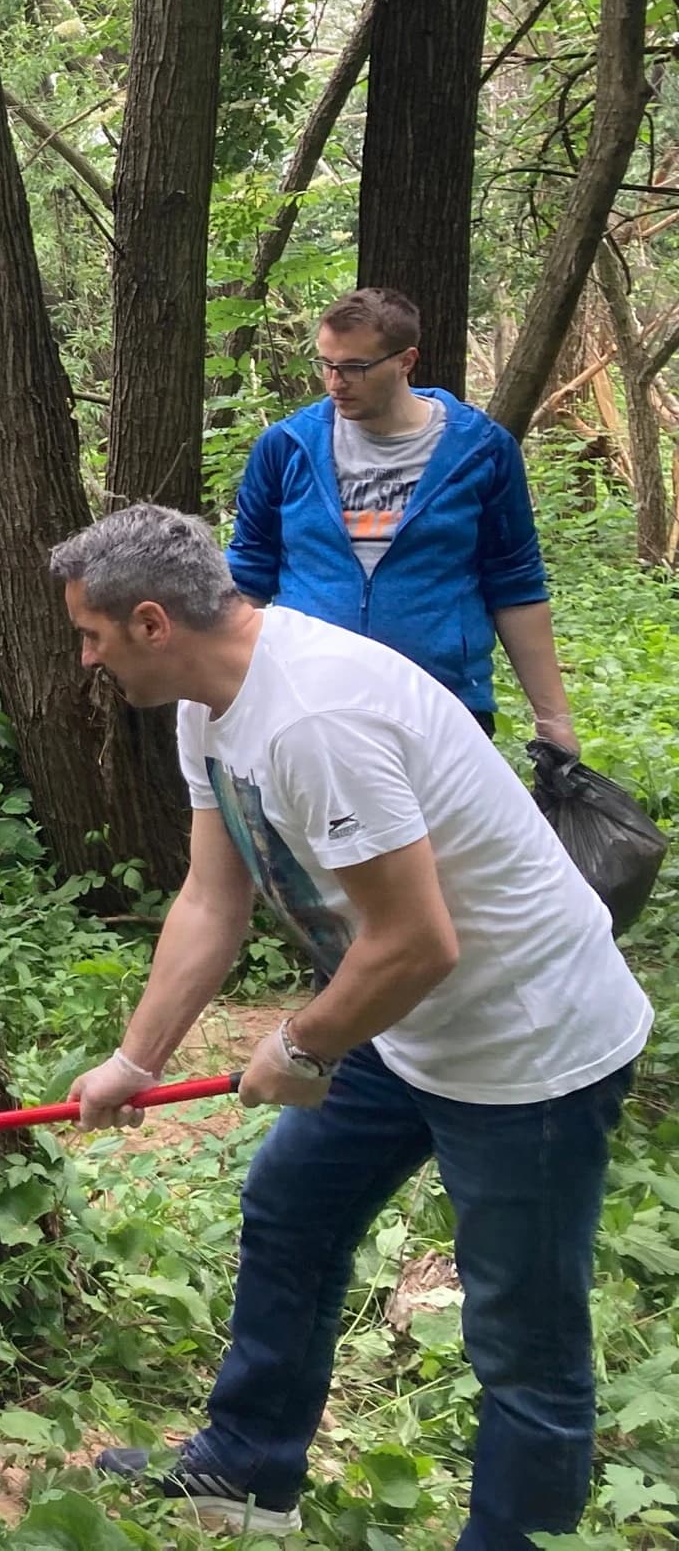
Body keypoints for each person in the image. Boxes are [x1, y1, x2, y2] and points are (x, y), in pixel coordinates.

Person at [49, 504, 648, 1547]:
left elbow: (417, 940)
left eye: (90, 637)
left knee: (521, 1339)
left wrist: (300, 1045)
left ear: (150, 621)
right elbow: (209, 901)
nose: (86, 659)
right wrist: (132, 1059)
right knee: (292, 1207)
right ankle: (245, 1472)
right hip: (406, 1024)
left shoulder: (311, 719)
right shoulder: (209, 705)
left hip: (527, 1049)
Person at [227, 286, 575, 749]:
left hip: (444, 705)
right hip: (309, 706)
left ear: (406, 361)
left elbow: (515, 584)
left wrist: (554, 722)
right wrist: (222, 700)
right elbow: (248, 577)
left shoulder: (481, 450)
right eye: (326, 364)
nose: (335, 382)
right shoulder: (286, 448)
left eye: (354, 367)